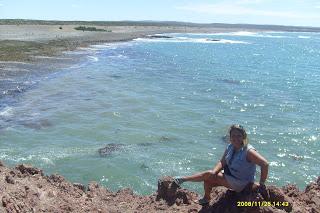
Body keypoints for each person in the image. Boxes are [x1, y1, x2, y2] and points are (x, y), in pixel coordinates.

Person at [173, 124, 269, 205]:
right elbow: (222, 162)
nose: (235, 138)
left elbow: (265, 164)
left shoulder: (248, 151)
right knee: (209, 178)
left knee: (208, 175)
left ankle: (183, 179)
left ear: (243, 137)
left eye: (238, 136)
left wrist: (262, 184)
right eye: (233, 136)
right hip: (231, 176)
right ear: (230, 137)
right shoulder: (230, 147)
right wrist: (214, 172)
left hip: (242, 182)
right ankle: (206, 198)